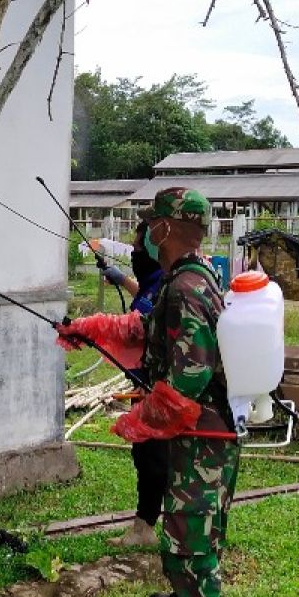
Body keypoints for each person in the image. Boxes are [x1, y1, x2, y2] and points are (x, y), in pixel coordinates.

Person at [91, 187, 239, 597]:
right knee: (195, 525)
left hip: (202, 437)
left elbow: (189, 375)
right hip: (207, 431)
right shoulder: (197, 277)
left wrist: (141, 420)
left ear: (167, 229)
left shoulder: (184, 288)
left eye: (151, 224)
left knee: (189, 531)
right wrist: (98, 329)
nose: (146, 234)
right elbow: (155, 328)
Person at [59, 222, 168, 548]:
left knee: (152, 456)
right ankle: (144, 527)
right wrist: (122, 280)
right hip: (150, 383)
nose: (133, 253)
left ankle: (145, 530)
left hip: (161, 388)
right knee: (145, 452)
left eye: (137, 248)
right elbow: (147, 298)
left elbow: (140, 324)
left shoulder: (171, 282)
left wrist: (88, 326)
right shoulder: (158, 279)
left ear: (153, 250)